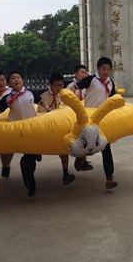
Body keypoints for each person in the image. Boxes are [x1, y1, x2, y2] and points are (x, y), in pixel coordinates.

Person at [0, 71, 44, 197]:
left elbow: (41, 102)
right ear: (9, 83)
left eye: (18, 77)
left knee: (33, 156)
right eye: (13, 78)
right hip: (20, 131)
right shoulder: (8, 98)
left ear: (22, 80)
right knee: (29, 157)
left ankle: (26, 164)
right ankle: (31, 184)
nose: (16, 80)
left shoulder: (31, 92)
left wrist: (48, 109)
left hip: (33, 129)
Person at [74, 56, 119, 189]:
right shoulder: (91, 79)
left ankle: (109, 178)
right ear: (98, 69)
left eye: (108, 69)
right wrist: (72, 103)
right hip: (88, 118)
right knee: (87, 144)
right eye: (103, 69)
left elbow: (113, 100)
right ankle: (80, 158)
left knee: (106, 147)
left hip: (103, 119)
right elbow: (75, 87)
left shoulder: (111, 83)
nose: (106, 72)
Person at [38, 73, 75, 185]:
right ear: (50, 85)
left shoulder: (64, 94)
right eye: (56, 85)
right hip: (46, 126)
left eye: (61, 85)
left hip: (60, 126)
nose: (59, 88)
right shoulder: (43, 96)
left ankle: (65, 173)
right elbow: (40, 115)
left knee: (64, 149)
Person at [66, 64, 93, 172]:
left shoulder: (86, 87)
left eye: (86, 73)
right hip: (73, 115)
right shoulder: (70, 87)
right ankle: (80, 159)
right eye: (82, 73)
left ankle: (83, 160)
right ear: (75, 74)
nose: (84, 75)